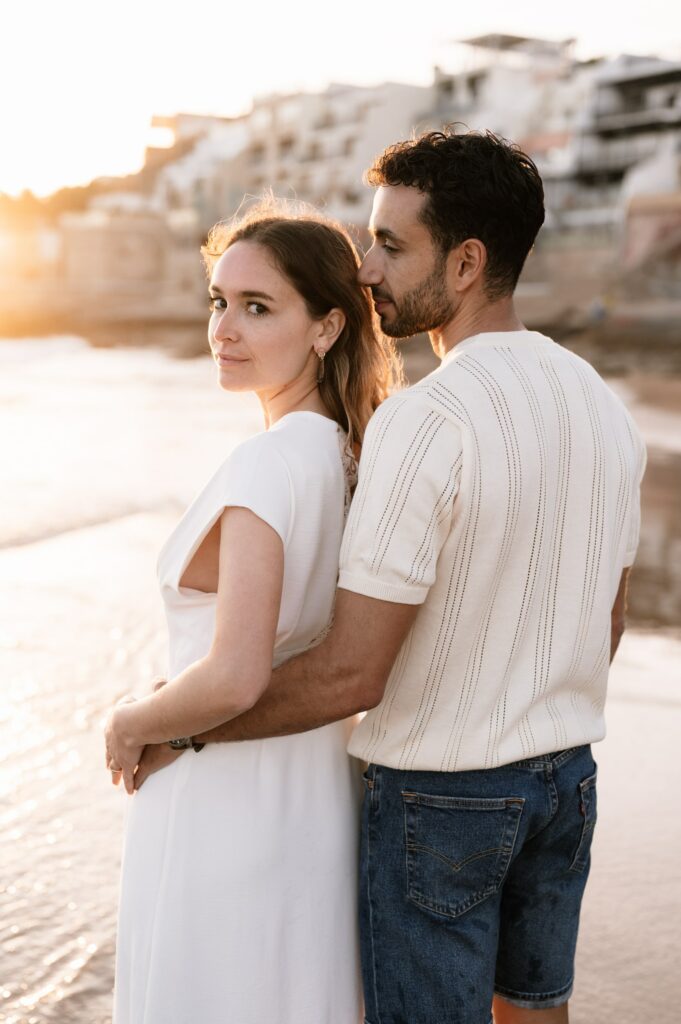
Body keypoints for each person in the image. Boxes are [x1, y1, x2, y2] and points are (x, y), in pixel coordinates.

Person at [119, 129, 645, 1024]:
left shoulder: (426, 419)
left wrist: (183, 728)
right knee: (535, 1011)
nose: (366, 270)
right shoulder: (598, 401)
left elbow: (350, 675)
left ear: (466, 263)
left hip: (444, 795)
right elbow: (608, 624)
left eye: (391, 246)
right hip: (566, 779)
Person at [104, 202, 401, 1024]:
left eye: (257, 307)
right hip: (315, 803)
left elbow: (236, 675)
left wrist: (131, 721)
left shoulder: (268, 464)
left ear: (326, 327)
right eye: (218, 301)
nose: (223, 329)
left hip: (224, 806)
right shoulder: (349, 457)